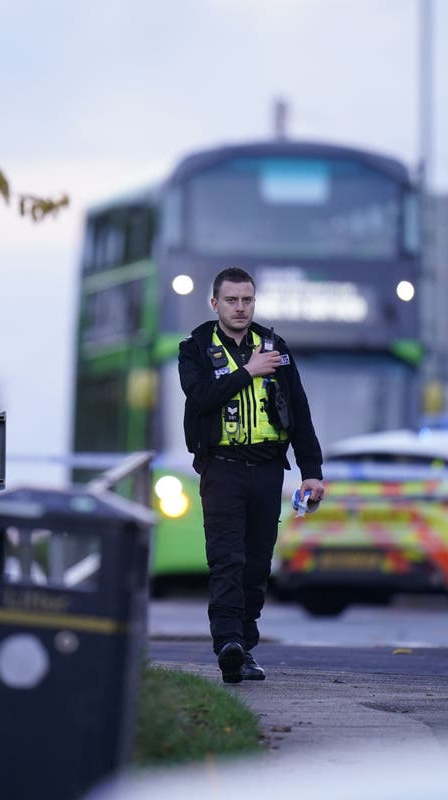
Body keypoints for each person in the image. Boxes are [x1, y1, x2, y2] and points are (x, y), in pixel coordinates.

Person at [178, 267, 325, 683]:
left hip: (266, 472)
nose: (240, 308)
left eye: (247, 300)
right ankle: (227, 643)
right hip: (221, 469)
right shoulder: (194, 348)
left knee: (257, 566)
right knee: (227, 560)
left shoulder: (276, 348)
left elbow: (299, 413)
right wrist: (247, 372)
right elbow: (201, 396)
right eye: (231, 300)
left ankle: (244, 647)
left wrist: (311, 472)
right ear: (215, 304)